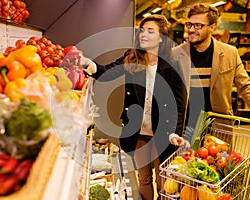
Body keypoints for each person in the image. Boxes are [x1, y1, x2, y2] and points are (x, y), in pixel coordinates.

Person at [78, 14, 189, 200]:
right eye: (142, 30)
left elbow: (179, 104)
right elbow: (106, 72)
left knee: (165, 182)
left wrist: (175, 132)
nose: (143, 35)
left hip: (164, 132)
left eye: (150, 31)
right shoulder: (132, 58)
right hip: (138, 132)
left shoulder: (173, 66)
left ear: (162, 37)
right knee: (144, 179)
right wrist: (87, 63)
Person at [170, 3, 250, 146]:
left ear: (212, 27)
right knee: (184, 167)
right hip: (186, 127)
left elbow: (245, 85)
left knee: (219, 167)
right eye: (189, 25)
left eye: (198, 26)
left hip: (220, 127)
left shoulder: (229, 53)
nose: (191, 30)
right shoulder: (176, 54)